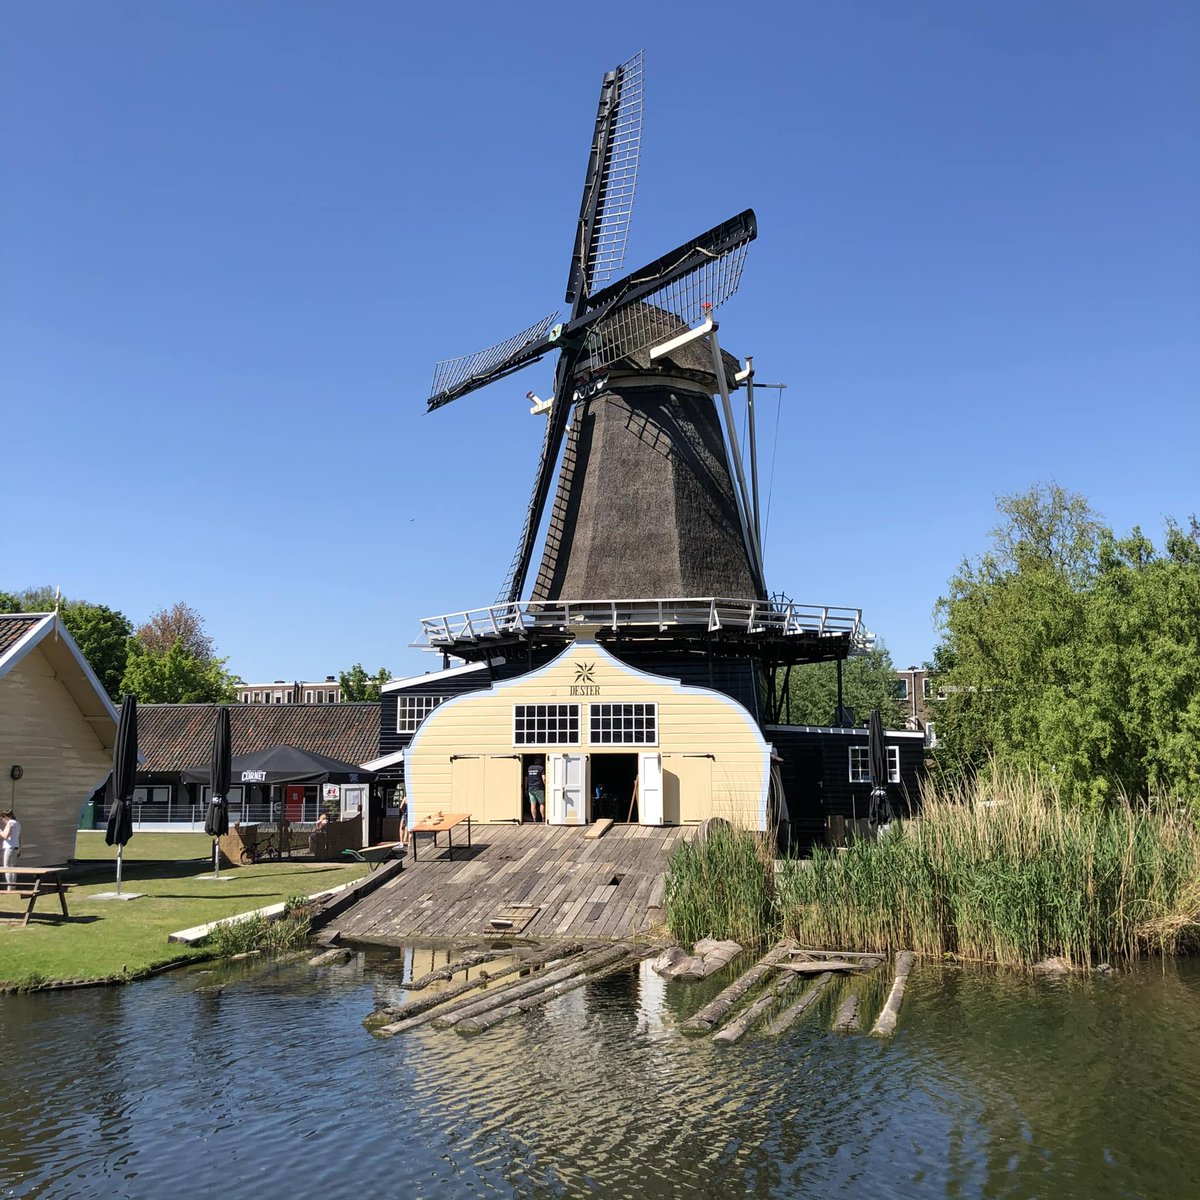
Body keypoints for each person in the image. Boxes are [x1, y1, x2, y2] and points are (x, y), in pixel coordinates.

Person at [0, 809, 21, 888]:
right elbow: (19, 838)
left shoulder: (10, 822)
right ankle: (14, 886)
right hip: (15, 848)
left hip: (9, 848)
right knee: (13, 868)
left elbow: (5, 836)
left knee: (7, 868)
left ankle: (10, 887)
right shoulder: (17, 823)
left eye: (3, 817)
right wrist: (20, 849)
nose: (2, 819)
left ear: (8, 816)